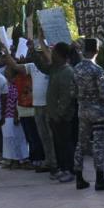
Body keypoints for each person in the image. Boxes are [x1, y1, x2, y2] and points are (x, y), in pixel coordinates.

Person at [1, 40, 55, 176]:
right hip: (37, 107)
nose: (40, 55)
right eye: (39, 53)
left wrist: (41, 42)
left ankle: (54, 162)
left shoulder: (52, 67)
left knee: (51, 136)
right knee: (43, 136)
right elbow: (15, 66)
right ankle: (48, 161)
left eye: (42, 53)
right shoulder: (32, 66)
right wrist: (7, 53)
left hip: (49, 107)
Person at [73, 39, 104, 191]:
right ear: (97, 51)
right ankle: (99, 179)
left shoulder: (76, 68)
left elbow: (73, 91)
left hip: (82, 110)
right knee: (98, 144)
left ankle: (79, 178)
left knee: (81, 143)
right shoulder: (98, 70)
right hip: (98, 112)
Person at [44, 43, 76, 183]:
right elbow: (43, 67)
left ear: (59, 54)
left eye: (54, 52)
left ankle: (69, 170)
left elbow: (66, 96)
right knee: (58, 144)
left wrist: (59, 113)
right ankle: (62, 168)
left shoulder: (67, 72)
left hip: (63, 117)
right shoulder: (55, 69)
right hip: (54, 115)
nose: (52, 54)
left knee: (66, 143)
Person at [13, 62, 43, 168]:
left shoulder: (31, 77)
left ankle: (37, 158)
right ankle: (34, 158)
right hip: (23, 111)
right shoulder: (18, 79)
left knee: (34, 137)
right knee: (30, 137)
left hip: (31, 111)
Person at [1, 68, 28, 168]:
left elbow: (17, 100)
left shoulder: (15, 85)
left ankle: (18, 160)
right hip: (6, 115)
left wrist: (16, 115)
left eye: (8, 71)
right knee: (8, 138)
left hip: (13, 115)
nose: (5, 72)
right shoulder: (7, 84)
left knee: (15, 137)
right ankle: (12, 159)